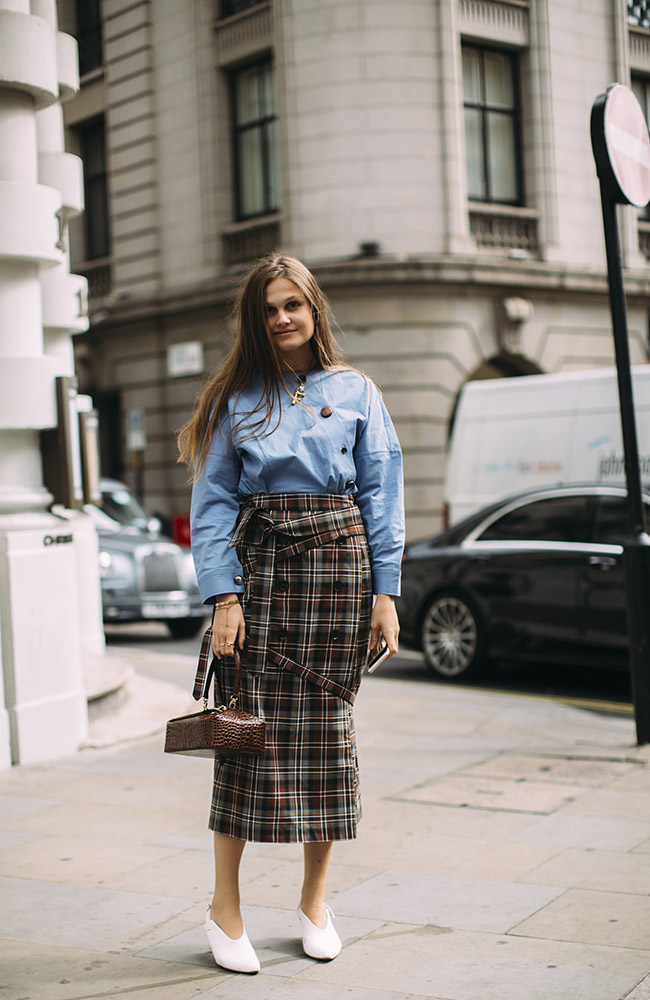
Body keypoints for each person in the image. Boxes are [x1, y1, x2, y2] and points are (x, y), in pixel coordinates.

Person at [177, 253, 404, 974]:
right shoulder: (237, 399)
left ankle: (313, 903)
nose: (280, 318)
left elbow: (381, 495)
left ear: (313, 309)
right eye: (269, 307)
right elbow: (211, 505)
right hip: (263, 580)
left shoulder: (357, 390)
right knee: (243, 742)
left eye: (292, 305)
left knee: (328, 745)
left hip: (339, 579)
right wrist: (223, 596)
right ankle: (225, 907)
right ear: (256, 318)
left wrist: (385, 593)